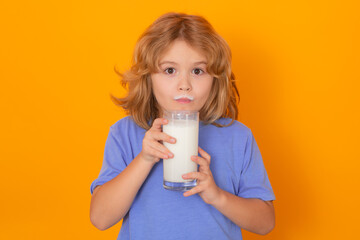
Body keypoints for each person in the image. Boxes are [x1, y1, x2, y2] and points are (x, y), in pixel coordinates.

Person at [89, 12, 275, 240]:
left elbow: (265, 223)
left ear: (215, 78)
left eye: (198, 71)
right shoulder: (125, 133)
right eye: (169, 70)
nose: (184, 85)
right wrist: (144, 159)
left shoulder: (238, 137)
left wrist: (217, 196)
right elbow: (100, 218)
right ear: (148, 76)